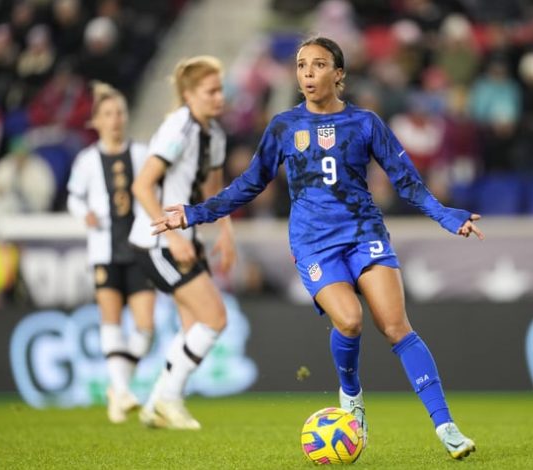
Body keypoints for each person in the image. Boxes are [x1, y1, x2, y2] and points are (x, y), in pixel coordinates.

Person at [152, 37, 482, 459]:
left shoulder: (366, 123)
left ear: (338, 74)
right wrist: (194, 213)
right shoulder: (284, 127)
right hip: (314, 243)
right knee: (349, 321)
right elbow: (250, 184)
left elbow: (406, 181)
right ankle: (352, 397)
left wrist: (444, 215)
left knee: (397, 327)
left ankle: (446, 427)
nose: (307, 73)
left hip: (365, 234)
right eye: (302, 65)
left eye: (319, 65)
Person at [130, 55, 235, 430]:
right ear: (189, 94)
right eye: (211, 91)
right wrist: (173, 236)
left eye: (221, 89)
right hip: (157, 241)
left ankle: (157, 403)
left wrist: (225, 230)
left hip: (186, 241)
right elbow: (141, 185)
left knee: (194, 325)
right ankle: (168, 399)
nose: (219, 97)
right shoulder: (178, 128)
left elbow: (214, 189)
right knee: (215, 318)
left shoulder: (215, 135)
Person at [66, 81, 156, 424]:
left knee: (146, 329)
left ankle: (118, 389)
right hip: (104, 249)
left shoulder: (142, 154)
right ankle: (120, 392)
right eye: (108, 114)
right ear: (96, 121)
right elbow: (74, 196)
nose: (116, 119)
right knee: (111, 320)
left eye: (120, 112)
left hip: (138, 248)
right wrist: (83, 213)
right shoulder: (87, 160)